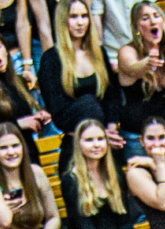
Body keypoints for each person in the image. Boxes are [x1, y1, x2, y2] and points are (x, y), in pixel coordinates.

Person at [63, 116, 145, 229]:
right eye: (89, 140)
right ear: (78, 144)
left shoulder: (115, 173)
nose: (96, 144)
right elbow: (86, 228)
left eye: (100, 139)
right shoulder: (71, 180)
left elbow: (124, 220)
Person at [117, 2, 165, 151]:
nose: (152, 21)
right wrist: (147, 63)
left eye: (156, 16)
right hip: (137, 137)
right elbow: (132, 68)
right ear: (137, 26)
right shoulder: (128, 51)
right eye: (145, 18)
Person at [39, 0, 114, 134]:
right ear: (62, 20)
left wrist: (111, 128)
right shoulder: (50, 59)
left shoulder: (99, 52)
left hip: (105, 133)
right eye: (73, 17)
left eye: (84, 16)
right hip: (74, 135)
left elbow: (111, 96)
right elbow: (57, 110)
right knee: (89, 102)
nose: (80, 22)